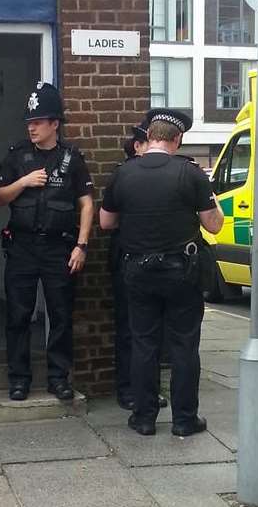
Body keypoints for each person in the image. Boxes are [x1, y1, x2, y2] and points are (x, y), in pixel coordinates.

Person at [100, 109, 224, 437]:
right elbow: (214, 223)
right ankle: (184, 420)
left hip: (137, 271)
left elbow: (105, 222)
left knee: (143, 343)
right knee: (184, 345)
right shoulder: (190, 173)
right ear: (177, 138)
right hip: (181, 271)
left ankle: (143, 418)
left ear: (149, 137)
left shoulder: (123, 174)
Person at [0, 82, 94, 401]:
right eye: (29, 122)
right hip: (21, 247)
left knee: (61, 315)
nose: (31, 127)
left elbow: (87, 203)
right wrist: (23, 181)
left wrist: (81, 245)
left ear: (55, 124)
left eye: (38, 122)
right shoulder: (17, 156)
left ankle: (58, 377)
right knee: (18, 316)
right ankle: (19, 378)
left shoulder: (72, 158)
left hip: (58, 249)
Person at [110, 119, 167, 411]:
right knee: (129, 329)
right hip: (128, 257)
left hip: (156, 260)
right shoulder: (124, 175)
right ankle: (128, 389)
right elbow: (108, 220)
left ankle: (149, 390)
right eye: (150, 142)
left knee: (152, 332)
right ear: (138, 146)